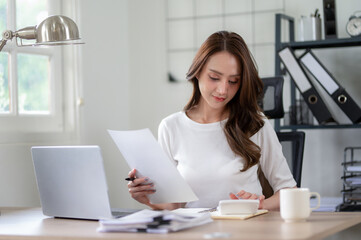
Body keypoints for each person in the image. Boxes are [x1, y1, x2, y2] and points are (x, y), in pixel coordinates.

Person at [127, 31, 296, 211]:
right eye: (214, 78)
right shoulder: (171, 127)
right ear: (198, 72)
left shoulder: (255, 124)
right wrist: (148, 199)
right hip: (193, 232)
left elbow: (289, 192)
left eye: (233, 81)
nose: (223, 90)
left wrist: (257, 207)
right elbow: (174, 204)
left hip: (243, 231)